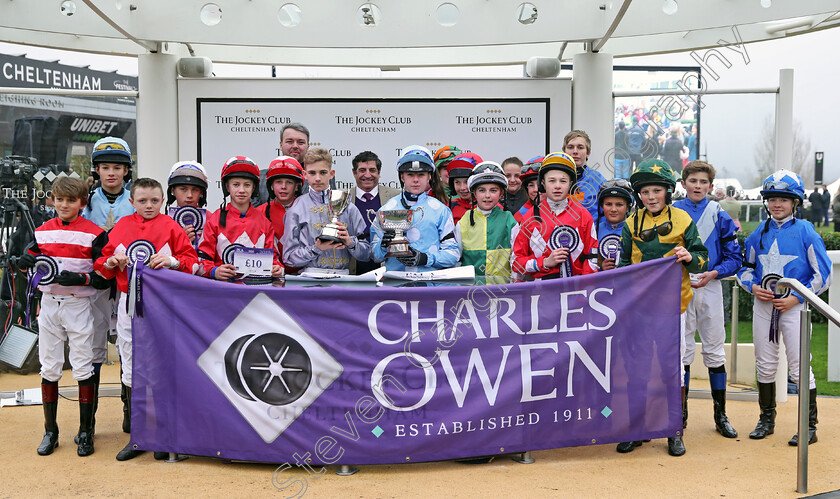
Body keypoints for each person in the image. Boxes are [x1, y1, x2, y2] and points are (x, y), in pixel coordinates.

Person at [94, 178, 199, 460]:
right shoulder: (122, 227)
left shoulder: (171, 226)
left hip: (164, 303)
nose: (149, 206)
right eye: (142, 201)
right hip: (129, 303)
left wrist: (172, 261)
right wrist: (112, 263)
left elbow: (192, 261)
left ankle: (164, 434)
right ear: (132, 202)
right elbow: (101, 264)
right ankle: (139, 435)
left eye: (154, 200)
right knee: (130, 363)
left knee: (163, 364)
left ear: (163, 200)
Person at [616, 159, 708, 457]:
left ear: (668, 191)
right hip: (639, 311)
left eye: (657, 190)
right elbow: (622, 267)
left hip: (672, 309)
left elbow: (702, 256)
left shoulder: (682, 219)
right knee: (637, 369)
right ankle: (636, 429)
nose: (651, 196)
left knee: (671, 369)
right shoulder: (630, 223)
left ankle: (673, 430)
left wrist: (689, 255)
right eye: (645, 191)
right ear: (638, 195)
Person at [737, 170, 831, 446]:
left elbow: (823, 275)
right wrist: (753, 287)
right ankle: (766, 419)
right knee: (765, 365)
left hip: (794, 309)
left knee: (799, 368)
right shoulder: (758, 233)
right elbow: (746, 268)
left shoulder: (806, 232)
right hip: (764, 306)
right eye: (773, 199)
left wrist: (798, 298)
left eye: (784, 199)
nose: (777, 204)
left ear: (795, 202)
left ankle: (809, 426)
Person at [19, 177, 111, 457]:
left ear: (82, 203)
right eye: (59, 199)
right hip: (49, 304)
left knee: (83, 366)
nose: (64, 205)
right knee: (49, 367)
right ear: (53, 200)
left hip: (78, 305)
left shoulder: (95, 233)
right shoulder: (43, 231)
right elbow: (31, 263)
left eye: (71, 200)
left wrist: (81, 277)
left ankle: (85, 432)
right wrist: (24, 263)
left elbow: (105, 275)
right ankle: (51, 432)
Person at [673, 160, 742, 438]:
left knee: (714, 350)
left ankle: (720, 415)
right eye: (693, 181)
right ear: (683, 184)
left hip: (710, 286)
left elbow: (735, 257)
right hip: (679, 288)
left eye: (703, 182)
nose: (698, 186)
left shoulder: (719, 213)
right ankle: (681, 414)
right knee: (682, 351)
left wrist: (714, 272)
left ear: (711, 186)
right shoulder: (673, 211)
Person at [81, 136, 135, 437]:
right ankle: (89, 422)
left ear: (127, 171)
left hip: (128, 282)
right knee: (94, 346)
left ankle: (130, 411)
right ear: (96, 170)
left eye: (118, 167)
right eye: (105, 167)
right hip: (98, 281)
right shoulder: (86, 201)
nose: (111, 173)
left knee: (129, 344)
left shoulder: (135, 199)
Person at [370, 146, 461, 272]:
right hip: (396, 286)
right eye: (410, 174)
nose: (416, 180)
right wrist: (383, 246)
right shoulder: (386, 209)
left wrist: (425, 259)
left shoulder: (441, 210)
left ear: (429, 176)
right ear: (402, 177)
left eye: (421, 174)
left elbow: (453, 254)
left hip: (430, 286)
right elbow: (374, 256)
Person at [282, 148, 371, 272]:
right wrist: (316, 248)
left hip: (343, 279)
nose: (317, 178)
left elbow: (367, 254)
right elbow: (288, 258)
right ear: (305, 174)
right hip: (309, 279)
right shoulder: (297, 208)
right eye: (312, 173)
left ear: (331, 173)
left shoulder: (348, 207)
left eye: (323, 172)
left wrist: (350, 242)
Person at [512, 152, 599, 280]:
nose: (557, 186)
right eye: (552, 181)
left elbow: (592, 258)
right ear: (543, 183)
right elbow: (516, 263)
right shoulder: (529, 217)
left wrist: (582, 289)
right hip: (540, 291)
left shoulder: (583, 215)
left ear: (570, 184)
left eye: (563, 181)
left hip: (575, 290)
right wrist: (544, 262)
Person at [199, 156, 282, 279]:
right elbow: (201, 260)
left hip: (255, 289)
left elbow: (273, 258)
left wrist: (276, 268)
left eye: (247, 185)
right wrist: (213, 271)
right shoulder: (214, 220)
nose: (241, 190)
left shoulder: (264, 222)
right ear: (227, 187)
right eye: (236, 185)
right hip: (223, 288)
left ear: (254, 188)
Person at [455, 162, 517, 279]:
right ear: (474, 193)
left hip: (502, 289)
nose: (487, 195)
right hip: (470, 290)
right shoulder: (464, 221)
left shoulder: (509, 219)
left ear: (501, 193)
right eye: (482, 190)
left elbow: (516, 257)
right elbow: (456, 259)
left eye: (493, 190)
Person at [351, 151, 400, 274]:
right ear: (354, 172)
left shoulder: (395, 197)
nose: (367, 175)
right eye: (362, 170)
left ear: (379, 173)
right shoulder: (343, 198)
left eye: (372, 170)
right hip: (353, 268)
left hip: (387, 269)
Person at [264, 156, 305, 274]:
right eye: (278, 182)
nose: (283, 187)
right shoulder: (260, 212)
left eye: (289, 182)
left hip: (304, 276)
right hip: (272, 274)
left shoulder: (309, 209)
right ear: (271, 185)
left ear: (297, 186)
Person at [563, 130, 606, 221]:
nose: (575, 151)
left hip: (589, 233)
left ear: (588, 153)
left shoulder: (598, 180)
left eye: (580, 147)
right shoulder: (555, 179)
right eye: (570, 147)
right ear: (564, 152)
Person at [166, 161, 209, 246]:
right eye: (183, 189)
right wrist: (179, 242)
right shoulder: (163, 222)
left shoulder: (213, 220)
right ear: (173, 191)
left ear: (201, 193)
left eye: (194, 190)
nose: (189, 195)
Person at [594, 178, 633, 271]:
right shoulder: (594, 230)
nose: (613, 209)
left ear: (628, 208)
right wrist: (600, 268)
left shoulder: (634, 230)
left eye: (619, 205)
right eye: (608, 204)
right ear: (602, 206)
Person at [447, 152, 482, 224]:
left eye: (466, 182)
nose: (462, 188)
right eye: (457, 182)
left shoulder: (490, 205)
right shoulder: (450, 207)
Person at [514, 157, 543, 223]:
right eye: (531, 185)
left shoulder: (567, 210)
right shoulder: (520, 216)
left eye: (540, 185)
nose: (536, 189)